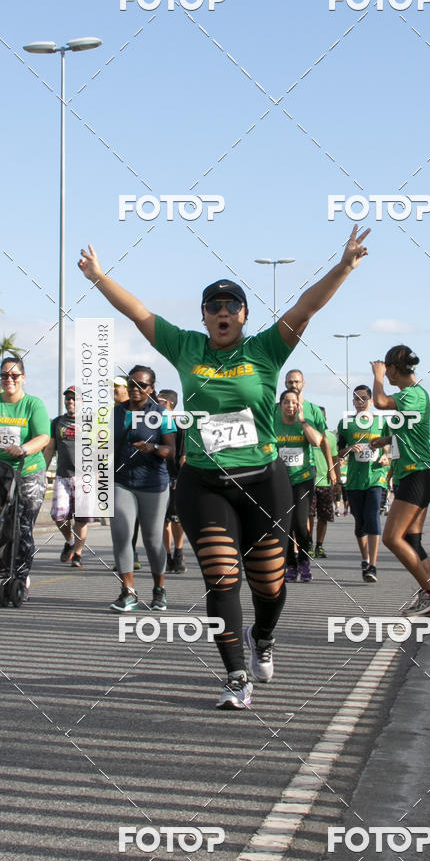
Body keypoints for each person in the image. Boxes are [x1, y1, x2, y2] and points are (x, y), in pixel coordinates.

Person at [78, 225, 370, 709]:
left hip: (264, 480)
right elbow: (139, 314)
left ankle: (265, 637)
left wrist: (342, 267)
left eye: (231, 306)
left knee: (270, 585)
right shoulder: (186, 347)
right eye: (213, 307)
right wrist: (99, 278)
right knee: (220, 578)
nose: (222, 313)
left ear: (244, 314)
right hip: (205, 484)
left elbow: (306, 306)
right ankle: (235, 676)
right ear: (204, 316)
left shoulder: (265, 351)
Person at [370, 346, 430, 615]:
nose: (386, 375)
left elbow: (379, 402)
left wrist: (376, 376)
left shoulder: (412, 394)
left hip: (419, 474)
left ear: (392, 368)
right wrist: (386, 440)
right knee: (412, 542)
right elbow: (410, 435)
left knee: (392, 538)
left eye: (387, 370)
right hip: (412, 474)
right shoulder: (412, 397)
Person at [0, 357, 50, 598]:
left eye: (14, 375)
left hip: (28, 471)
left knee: (22, 525)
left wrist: (24, 449)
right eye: (5, 375)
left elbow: (43, 437)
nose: (9, 380)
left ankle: (19, 575)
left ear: (23, 377)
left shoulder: (33, 404)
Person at [109, 365, 176, 612]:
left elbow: (171, 450)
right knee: (121, 532)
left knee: (152, 539)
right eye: (131, 384)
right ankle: (128, 592)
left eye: (142, 385)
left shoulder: (161, 414)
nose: (135, 389)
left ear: (151, 388)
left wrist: (154, 449)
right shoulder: (114, 413)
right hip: (121, 481)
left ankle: (159, 590)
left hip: (153, 483)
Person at [337, 385, 389, 582]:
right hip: (355, 480)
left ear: (371, 401)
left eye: (364, 399)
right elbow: (339, 452)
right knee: (360, 523)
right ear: (353, 402)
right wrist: (350, 448)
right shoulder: (345, 423)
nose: (360, 403)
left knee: (372, 516)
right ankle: (365, 558)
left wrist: (385, 457)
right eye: (357, 399)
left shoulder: (381, 422)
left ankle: (373, 566)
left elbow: (389, 447)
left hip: (376, 476)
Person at [275, 390, 322, 582]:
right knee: (284, 525)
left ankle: (304, 561)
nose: (290, 406)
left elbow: (317, 441)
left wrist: (302, 421)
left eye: (294, 403)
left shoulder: (304, 423)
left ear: (299, 405)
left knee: (301, 525)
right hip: (280, 480)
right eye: (286, 402)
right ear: (281, 405)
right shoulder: (273, 423)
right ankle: (290, 565)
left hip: (302, 479)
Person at [44, 385, 93, 568]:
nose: (70, 401)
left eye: (74, 398)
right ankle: (71, 541)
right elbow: (50, 448)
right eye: (68, 398)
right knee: (58, 516)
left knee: (81, 518)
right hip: (63, 476)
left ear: (82, 401)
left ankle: (78, 553)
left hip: (85, 478)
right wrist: (42, 472)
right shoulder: (57, 422)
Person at [157, 388, 187, 573]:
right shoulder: (154, 424)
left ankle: (179, 552)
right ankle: (166, 556)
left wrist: (182, 479)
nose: (155, 404)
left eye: (158, 401)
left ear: (168, 404)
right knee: (162, 520)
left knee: (176, 519)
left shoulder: (181, 425)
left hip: (176, 477)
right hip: (158, 477)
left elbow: (183, 456)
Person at [113, 375, 141, 570]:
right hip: (116, 471)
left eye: (117, 386)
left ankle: (132, 553)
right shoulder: (112, 412)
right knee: (120, 514)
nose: (114, 389)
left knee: (135, 516)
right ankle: (127, 555)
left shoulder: (141, 409)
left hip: (141, 472)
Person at [308, 407, 338, 558]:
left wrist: (337, 481)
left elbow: (335, 459)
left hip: (325, 482)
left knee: (323, 516)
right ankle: (308, 544)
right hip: (309, 480)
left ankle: (319, 546)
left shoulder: (331, 437)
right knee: (309, 515)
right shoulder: (306, 435)